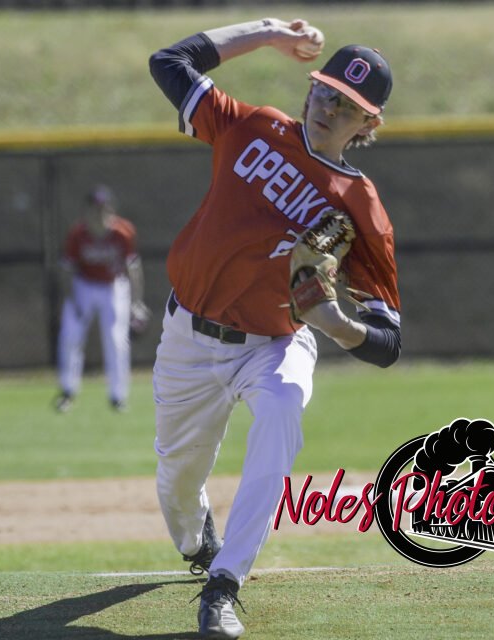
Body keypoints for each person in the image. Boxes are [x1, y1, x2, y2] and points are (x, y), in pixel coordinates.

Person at [149, 17, 401, 638]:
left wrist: (334, 323)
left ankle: (225, 585)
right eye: (325, 90)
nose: (328, 106)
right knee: (179, 480)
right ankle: (196, 540)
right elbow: (169, 62)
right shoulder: (253, 127)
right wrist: (264, 32)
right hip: (189, 337)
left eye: (348, 106)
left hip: (276, 342)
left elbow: (388, 343)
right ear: (310, 86)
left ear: (369, 125)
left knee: (283, 412)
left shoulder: (358, 205)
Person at [54, 185, 148, 413]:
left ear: (112, 209)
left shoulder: (123, 232)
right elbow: (67, 270)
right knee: (71, 336)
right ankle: (68, 391)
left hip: (113, 286)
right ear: (87, 211)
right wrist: (71, 301)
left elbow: (133, 270)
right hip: (84, 285)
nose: (100, 213)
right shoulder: (78, 234)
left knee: (116, 339)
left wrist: (137, 303)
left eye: (105, 208)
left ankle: (118, 396)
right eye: (96, 209)